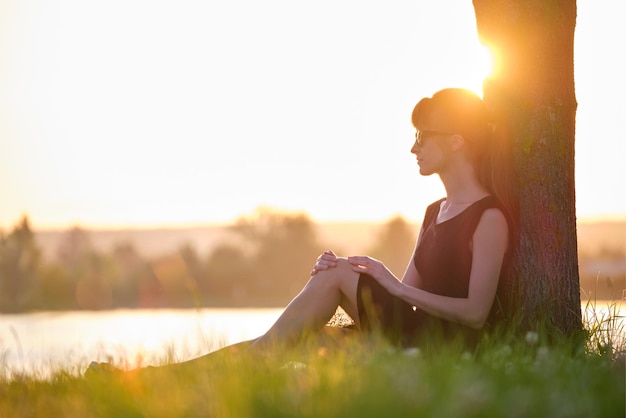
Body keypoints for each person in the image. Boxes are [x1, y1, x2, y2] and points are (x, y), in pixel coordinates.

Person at [87, 87, 516, 376]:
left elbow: (475, 313)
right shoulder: (434, 212)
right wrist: (349, 272)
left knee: (292, 330)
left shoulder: (488, 218)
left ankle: (161, 379)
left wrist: (383, 284)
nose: (414, 147)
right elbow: (404, 299)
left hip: (443, 353)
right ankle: (159, 377)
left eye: (424, 136)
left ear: (458, 141)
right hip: (411, 336)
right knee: (286, 341)